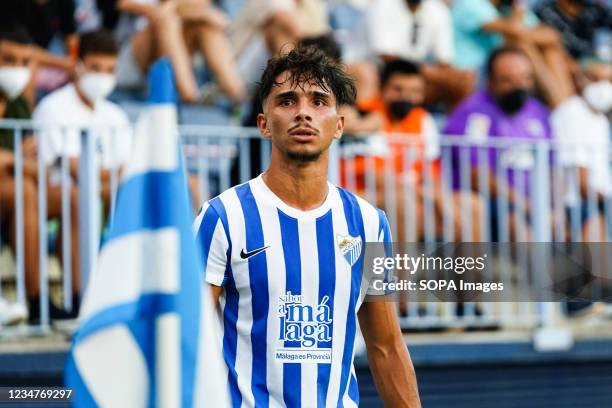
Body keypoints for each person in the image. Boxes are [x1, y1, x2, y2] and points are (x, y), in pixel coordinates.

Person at [194, 47, 421, 406]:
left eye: (318, 102)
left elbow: (387, 348)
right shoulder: (221, 217)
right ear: (264, 123)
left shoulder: (370, 224)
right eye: (287, 101)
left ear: (340, 125)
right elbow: (190, 342)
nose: (303, 112)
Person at [33, 29, 133, 317]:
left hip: (106, 191)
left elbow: (127, 167)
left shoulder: (115, 114)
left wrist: (109, 173)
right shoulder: (53, 107)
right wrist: (112, 172)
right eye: (95, 68)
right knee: (79, 196)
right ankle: (81, 298)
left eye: (110, 70)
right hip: (60, 193)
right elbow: (74, 169)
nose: (102, 76)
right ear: (78, 64)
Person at [342, 59, 482, 242]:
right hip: (360, 194)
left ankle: (468, 271)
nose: (406, 97)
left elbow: (432, 175)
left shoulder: (423, 120)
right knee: (404, 202)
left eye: (414, 91)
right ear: (382, 90)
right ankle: (398, 271)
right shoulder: (368, 115)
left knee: (472, 205)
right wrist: (431, 196)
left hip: (411, 195)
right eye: (398, 90)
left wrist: (442, 200)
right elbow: (377, 177)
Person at [444, 46, 552, 241]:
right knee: (514, 221)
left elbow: (554, 167)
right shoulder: (473, 112)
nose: (519, 86)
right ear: (490, 81)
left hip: (537, 205)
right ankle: (540, 272)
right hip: (494, 204)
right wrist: (525, 204)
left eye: (525, 78)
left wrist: (554, 207)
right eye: (508, 80)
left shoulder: (538, 111)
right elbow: (476, 174)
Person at [452, 0, 576, 107]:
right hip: (470, 73)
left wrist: (521, 29)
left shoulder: (505, 9)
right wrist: (518, 14)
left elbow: (551, 36)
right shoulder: (470, 4)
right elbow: (514, 31)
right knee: (520, 44)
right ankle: (561, 105)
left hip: (501, 71)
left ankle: (564, 104)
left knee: (550, 51)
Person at [116, 0, 245, 103]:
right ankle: (189, 95)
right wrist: (176, 5)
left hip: (173, 51)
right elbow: (126, 4)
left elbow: (203, 6)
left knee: (206, 28)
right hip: (134, 61)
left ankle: (235, 93)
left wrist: (200, 13)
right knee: (168, 21)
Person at [363, 0, 475, 108]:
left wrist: (452, 76)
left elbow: (444, 61)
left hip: (417, 73)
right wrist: (429, 72)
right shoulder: (383, 4)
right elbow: (386, 57)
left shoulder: (438, 9)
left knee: (464, 80)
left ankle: (453, 125)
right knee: (373, 74)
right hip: (380, 70)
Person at [551, 64, 612, 241]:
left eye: (609, 80)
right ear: (580, 81)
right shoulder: (573, 111)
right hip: (579, 203)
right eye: (596, 78)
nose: (604, 85)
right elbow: (582, 184)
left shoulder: (600, 117)